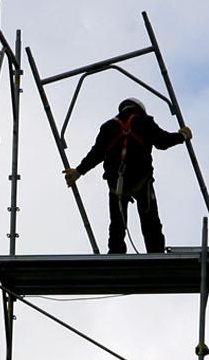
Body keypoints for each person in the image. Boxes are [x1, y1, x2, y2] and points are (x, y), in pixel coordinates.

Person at [63, 98, 192, 255]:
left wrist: (78, 172)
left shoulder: (108, 126)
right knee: (150, 220)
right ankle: (155, 254)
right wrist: (182, 136)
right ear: (140, 109)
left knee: (117, 223)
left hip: (116, 181)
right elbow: (162, 141)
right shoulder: (144, 121)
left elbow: (96, 154)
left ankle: (116, 254)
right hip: (141, 178)